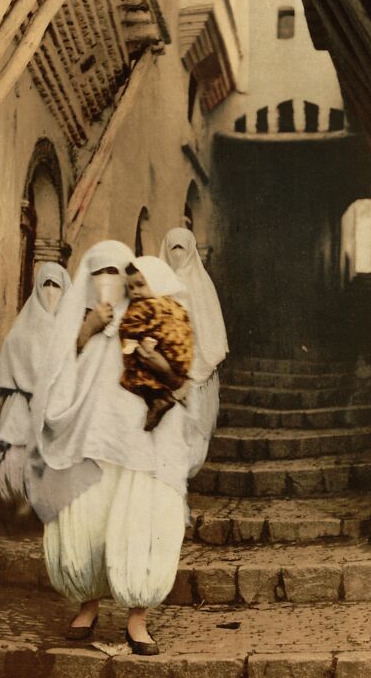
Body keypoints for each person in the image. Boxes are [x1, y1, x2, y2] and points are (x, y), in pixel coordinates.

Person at [31, 241, 192, 656]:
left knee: (141, 516)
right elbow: (53, 377)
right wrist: (86, 330)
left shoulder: (149, 313)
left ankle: (137, 618)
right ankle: (88, 604)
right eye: (98, 273)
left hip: (141, 441)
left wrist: (155, 363)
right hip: (91, 440)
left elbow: (177, 374)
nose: (108, 282)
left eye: (115, 273)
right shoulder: (76, 323)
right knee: (91, 520)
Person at [0, 262, 71, 512]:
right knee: (16, 455)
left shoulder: (69, 331)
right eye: (45, 284)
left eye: (55, 285)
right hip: (23, 406)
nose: (50, 291)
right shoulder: (22, 329)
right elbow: (13, 363)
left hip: (57, 406)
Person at [160, 228, 229, 476]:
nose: (177, 254)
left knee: (194, 430)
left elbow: (211, 327)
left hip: (197, 367)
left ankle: (183, 479)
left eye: (182, 248)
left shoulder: (202, 285)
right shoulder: (159, 284)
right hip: (165, 367)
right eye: (173, 248)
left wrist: (200, 360)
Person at [120, 257, 194, 431]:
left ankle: (158, 400)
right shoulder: (176, 305)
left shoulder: (144, 306)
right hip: (180, 358)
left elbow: (129, 328)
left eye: (140, 285)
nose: (135, 292)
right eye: (130, 287)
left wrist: (129, 347)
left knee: (136, 375)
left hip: (159, 354)